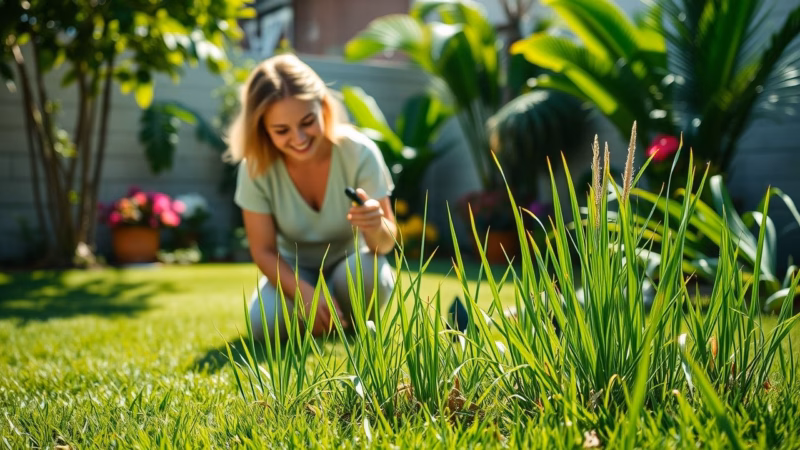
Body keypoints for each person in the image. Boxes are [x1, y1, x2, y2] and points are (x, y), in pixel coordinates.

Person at [226, 53, 397, 340]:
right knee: (263, 322)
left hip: (351, 269)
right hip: (295, 273)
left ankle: (340, 321)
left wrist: (375, 226)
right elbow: (263, 250)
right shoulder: (254, 168)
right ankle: (327, 318)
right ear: (262, 130)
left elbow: (386, 243)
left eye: (308, 121)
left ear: (323, 108)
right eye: (282, 130)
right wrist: (304, 293)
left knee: (370, 269)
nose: (300, 138)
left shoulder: (360, 152)